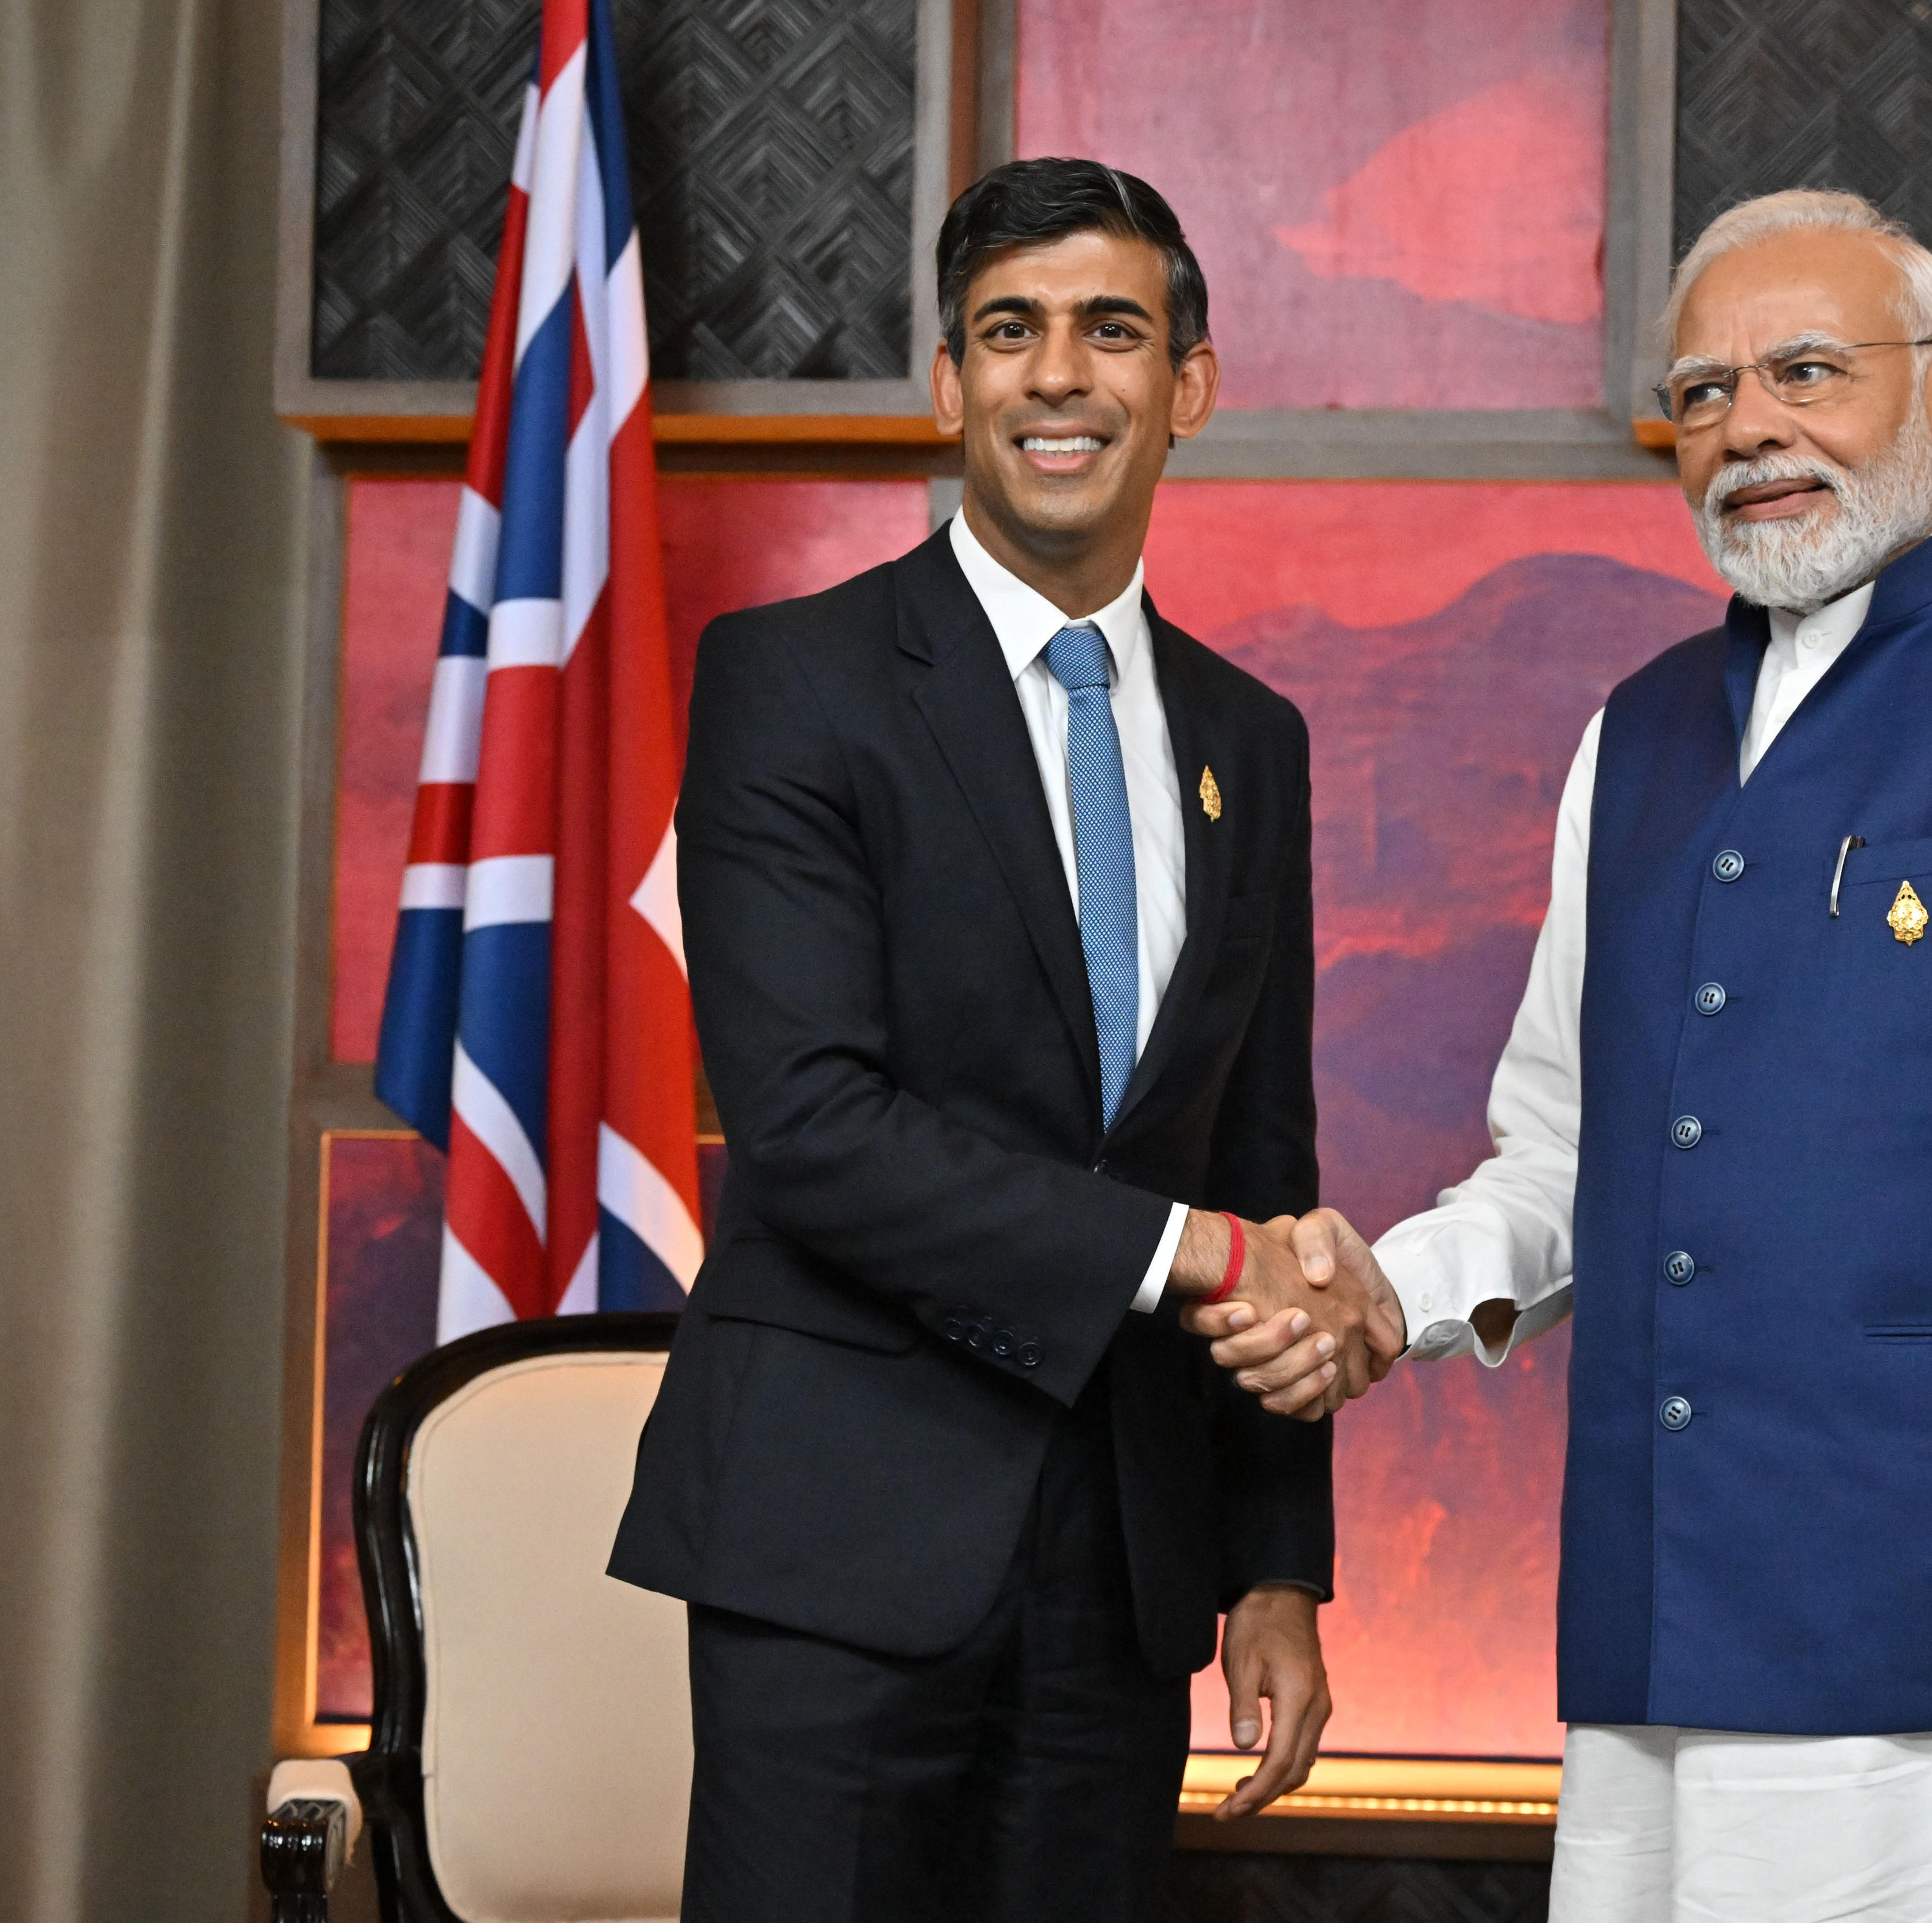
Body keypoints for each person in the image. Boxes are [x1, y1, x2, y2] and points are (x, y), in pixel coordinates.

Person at [1205, 189, 1932, 1921]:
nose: (1750, 427)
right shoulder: (1637, 733)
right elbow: (1563, 1165)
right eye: (1705, 394)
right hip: (1665, 1668)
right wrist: (1393, 1288)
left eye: (1808, 371)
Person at [608, 158, 1390, 1923]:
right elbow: (812, 1130)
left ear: (1186, 386)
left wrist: (1277, 1569)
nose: (1059, 376)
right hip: (836, 1548)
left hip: (1122, 1567)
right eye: (1010, 333)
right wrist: (1197, 1252)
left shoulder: (1248, 743)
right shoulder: (788, 683)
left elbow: (1261, 1158)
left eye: (1111, 332)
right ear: (949, 383)